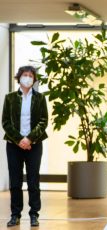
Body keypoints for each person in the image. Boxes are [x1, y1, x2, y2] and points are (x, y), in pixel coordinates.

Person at [2, 66, 48, 227]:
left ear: (34, 79)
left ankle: (34, 214)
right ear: (19, 78)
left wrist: (29, 139)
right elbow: (5, 122)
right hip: (14, 145)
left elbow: (43, 121)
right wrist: (20, 140)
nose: (27, 78)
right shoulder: (9, 98)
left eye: (30, 75)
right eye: (24, 75)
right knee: (15, 181)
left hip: (34, 145)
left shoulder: (40, 98)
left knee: (33, 180)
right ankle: (15, 214)